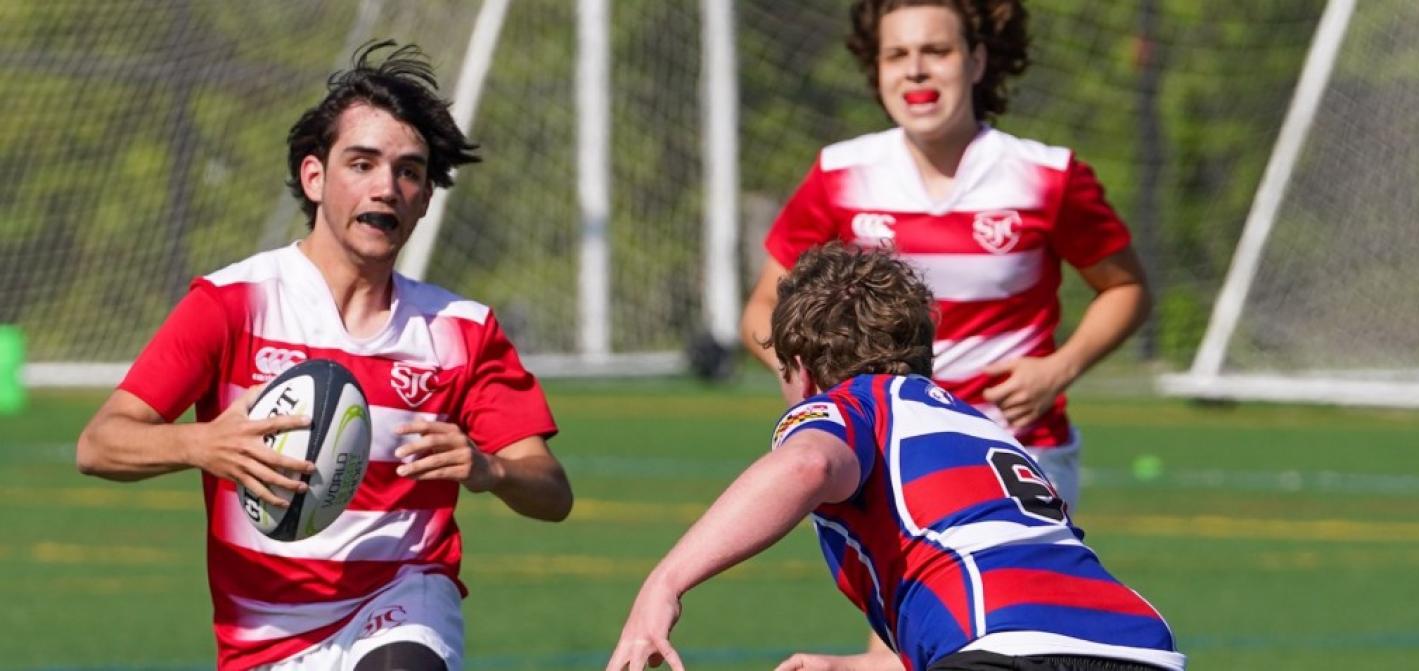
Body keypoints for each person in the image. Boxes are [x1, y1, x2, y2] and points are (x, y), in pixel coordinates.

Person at [75, 41, 573, 671]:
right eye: (362, 164)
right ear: (314, 177)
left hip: (403, 599)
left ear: (425, 198)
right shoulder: (233, 303)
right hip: (263, 636)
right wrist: (201, 444)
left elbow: (552, 491)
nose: (386, 188)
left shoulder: (461, 331)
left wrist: (489, 469)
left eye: (408, 172)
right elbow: (99, 444)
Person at [607, 243, 1183, 671]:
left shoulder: (854, 405)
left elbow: (807, 466)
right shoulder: (978, 428)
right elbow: (1016, 590)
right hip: (1139, 647)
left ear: (802, 371)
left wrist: (664, 583)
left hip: (1005, 647)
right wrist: (861, 666)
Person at [741, 0, 1150, 511]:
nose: (915, 69)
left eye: (936, 50)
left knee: (1008, 566)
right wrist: (810, 381)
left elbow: (1126, 288)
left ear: (976, 61)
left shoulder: (1047, 176)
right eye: (896, 54)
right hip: (883, 445)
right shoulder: (839, 174)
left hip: (1015, 448)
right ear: (878, 69)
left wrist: (1059, 368)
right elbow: (762, 308)